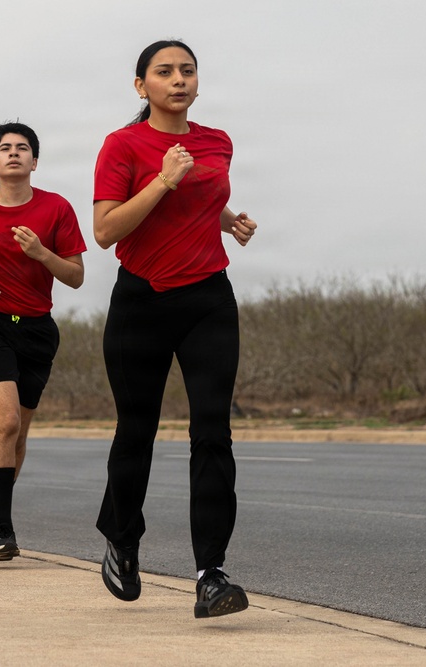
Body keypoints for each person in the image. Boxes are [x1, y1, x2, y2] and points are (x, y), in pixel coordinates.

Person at [92, 40, 258, 618]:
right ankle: (122, 537)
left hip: (209, 297)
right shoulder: (123, 145)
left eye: (187, 70)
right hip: (141, 301)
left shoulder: (217, 141)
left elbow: (203, 195)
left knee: (212, 431)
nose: (178, 79)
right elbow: (106, 230)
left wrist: (228, 219)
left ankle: (211, 573)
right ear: (141, 86)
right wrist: (161, 181)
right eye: (164, 72)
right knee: (136, 430)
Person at [0, 122, 86, 561]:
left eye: (22, 148)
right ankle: (2, 530)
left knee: (19, 432)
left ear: (34, 161)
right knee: (5, 422)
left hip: (37, 329)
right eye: (4, 149)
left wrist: (43, 254)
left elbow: (77, 277)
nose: (13, 154)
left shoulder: (57, 208)